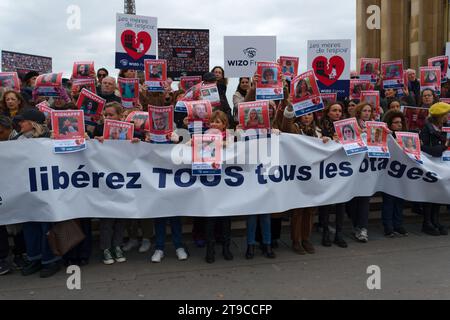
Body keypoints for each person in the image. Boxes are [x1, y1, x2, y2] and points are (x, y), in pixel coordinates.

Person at [10, 109, 62, 278]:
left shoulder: (50, 138)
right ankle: (35, 259)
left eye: (23, 121)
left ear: (33, 123)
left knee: (46, 227)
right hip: (27, 189)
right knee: (30, 225)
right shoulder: (17, 139)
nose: (20, 124)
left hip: (47, 188)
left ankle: (50, 260)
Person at [282, 107, 329, 255]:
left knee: (311, 209)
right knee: (298, 210)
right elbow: (286, 126)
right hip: (298, 175)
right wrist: (289, 110)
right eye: (304, 115)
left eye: (309, 114)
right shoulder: (295, 128)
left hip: (313, 174)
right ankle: (296, 240)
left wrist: (326, 141)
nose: (307, 117)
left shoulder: (318, 131)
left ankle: (306, 239)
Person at [318, 102, 348, 248]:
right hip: (327, 170)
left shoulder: (347, 127)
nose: (337, 113)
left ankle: (339, 234)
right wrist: (328, 138)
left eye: (340, 111)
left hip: (341, 169)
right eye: (334, 110)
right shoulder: (322, 126)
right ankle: (325, 232)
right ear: (328, 112)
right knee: (327, 203)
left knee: (341, 203)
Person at [419, 102, 450, 236]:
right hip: (430, 165)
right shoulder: (427, 129)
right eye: (446, 114)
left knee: (438, 193)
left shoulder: (445, 127)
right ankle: (427, 222)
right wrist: (445, 146)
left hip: (442, 165)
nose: (448, 116)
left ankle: (435, 220)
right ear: (440, 115)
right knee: (430, 194)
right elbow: (428, 149)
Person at [382, 110, 409, 237]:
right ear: (389, 124)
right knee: (389, 200)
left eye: (401, 122)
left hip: (402, 172)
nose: (399, 125)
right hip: (388, 173)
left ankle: (398, 224)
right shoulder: (386, 137)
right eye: (396, 122)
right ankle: (388, 226)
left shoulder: (406, 136)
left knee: (399, 199)